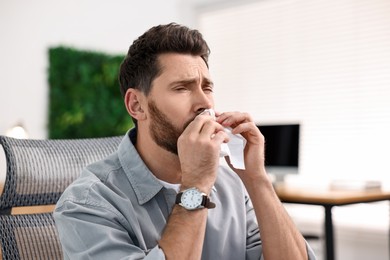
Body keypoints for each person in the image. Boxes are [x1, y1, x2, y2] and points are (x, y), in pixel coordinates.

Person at [54, 23, 316, 260]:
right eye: (182, 88)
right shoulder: (88, 202)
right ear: (137, 105)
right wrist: (196, 185)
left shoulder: (232, 187)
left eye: (207, 87)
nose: (205, 103)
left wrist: (257, 179)